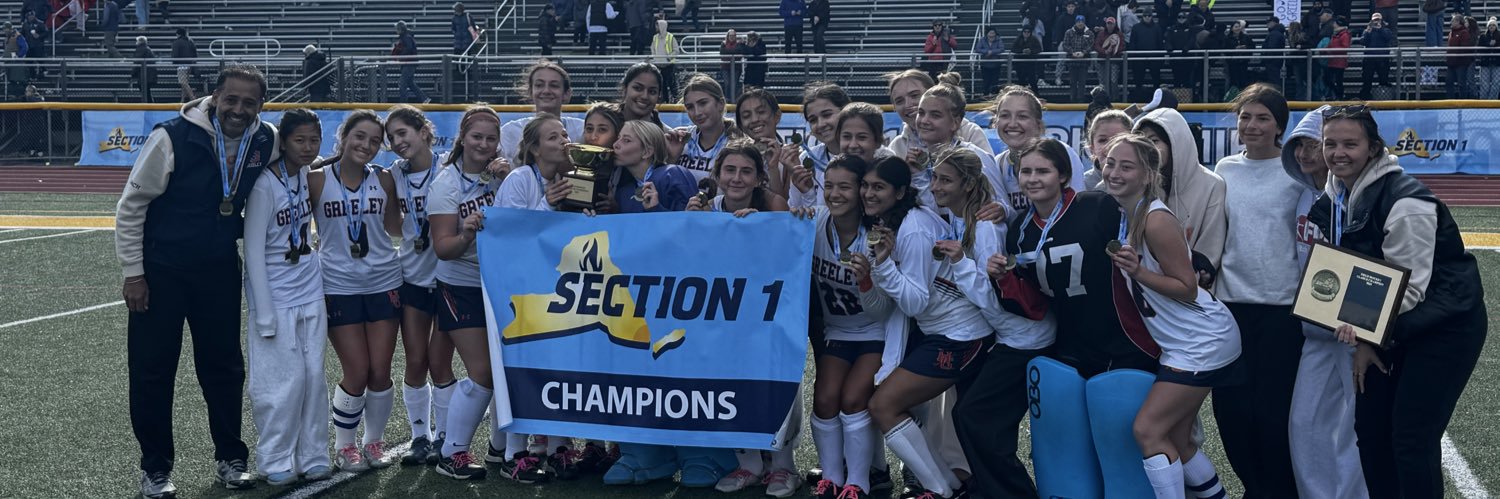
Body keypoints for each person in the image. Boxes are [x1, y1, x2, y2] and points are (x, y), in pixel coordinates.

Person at [1310, 104, 1487, 499]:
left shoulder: (1406, 203)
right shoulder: (1338, 193)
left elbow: (1410, 291)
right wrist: (1366, 335)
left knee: (1411, 438)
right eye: (1330, 143)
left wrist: (1366, 337)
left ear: (1373, 148)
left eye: (1350, 144)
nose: (1338, 152)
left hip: (1443, 326)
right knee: (1371, 433)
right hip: (1388, 323)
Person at [116, 65, 274, 498]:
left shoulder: (266, 139)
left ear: (261, 105)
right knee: (152, 371)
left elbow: (297, 165)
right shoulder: (172, 136)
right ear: (215, 97)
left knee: (224, 369)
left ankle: (230, 456)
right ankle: (155, 469)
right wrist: (134, 273)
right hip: (161, 273)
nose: (239, 109)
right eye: (232, 99)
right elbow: (131, 206)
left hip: (219, 270)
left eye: (250, 102)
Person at [1098, 133, 1241, 499]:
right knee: (1176, 437)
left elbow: (1188, 287)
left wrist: (1139, 272)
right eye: (1110, 162)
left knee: (1147, 430)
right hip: (1186, 339)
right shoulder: (1127, 212)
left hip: (1201, 339)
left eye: (1126, 166)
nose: (1113, 172)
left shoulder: (1156, 220)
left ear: (1147, 175)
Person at [863, 149, 998, 499]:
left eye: (878, 186)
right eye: (865, 185)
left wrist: (882, 267)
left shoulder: (914, 230)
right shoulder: (905, 221)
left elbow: (914, 301)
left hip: (961, 336)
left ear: (899, 192)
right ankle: (947, 486)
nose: (868, 193)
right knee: (887, 404)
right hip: (941, 332)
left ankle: (939, 489)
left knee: (883, 405)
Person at [426, 106, 528, 481]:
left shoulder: (504, 176)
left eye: (490, 138)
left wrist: (509, 180)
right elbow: (443, 247)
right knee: (483, 372)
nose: (484, 145)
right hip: (460, 284)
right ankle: (451, 452)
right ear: (463, 138)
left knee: (506, 370)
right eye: (477, 137)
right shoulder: (447, 184)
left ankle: (503, 450)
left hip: (501, 284)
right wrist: (466, 233)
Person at [1210, 83, 1301, 499]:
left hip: (1283, 310)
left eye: (1263, 117)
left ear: (1280, 125)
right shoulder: (1224, 169)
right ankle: (1255, 486)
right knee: (1230, 410)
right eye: (1245, 117)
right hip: (1231, 307)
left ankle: (1277, 489)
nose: (1252, 125)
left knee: (1273, 412)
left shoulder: (1297, 174)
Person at [307, 111, 404, 473]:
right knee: (358, 370)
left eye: (374, 141)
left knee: (380, 370)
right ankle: (344, 445)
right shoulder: (315, 179)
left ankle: (373, 441)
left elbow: (395, 227)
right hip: (338, 284)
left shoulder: (384, 179)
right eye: (358, 137)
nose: (365, 145)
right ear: (343, 137)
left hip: (384, 281)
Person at [1280, 105, 1370, 499]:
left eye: (1314, 144)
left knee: (1356, 428)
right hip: (1315, 329)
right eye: (1299, 145)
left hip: (1355, 332)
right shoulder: (1303, 198)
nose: (1305, 153)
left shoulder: (1361, 198)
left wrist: (1365, 327)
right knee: (1304, 422)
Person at [787, 156, 886, 499]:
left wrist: (866, 282)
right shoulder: (814, 222)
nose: (835, 194)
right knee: (825, 399)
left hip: (877, 330)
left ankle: (859, 481)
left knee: (853, 397)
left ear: (861, 190)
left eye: (845, 186)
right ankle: (831, 478)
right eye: (829, 186)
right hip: (836, 330)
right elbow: (776, 237)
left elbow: (886, 307)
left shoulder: (878, 235)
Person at [242, 108, 332, 487]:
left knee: (314, 377)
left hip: (309, 286)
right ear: (283, 141)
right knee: (282, 380)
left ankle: (313, 453)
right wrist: (262, 309)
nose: (308, 147)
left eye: (314, 140)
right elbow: (253, 248)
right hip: (276, 292)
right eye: (300, 140)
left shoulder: (305, 178)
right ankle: (275, 456)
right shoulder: (264, 184)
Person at [382, 105, 455, 467]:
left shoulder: (449, 166)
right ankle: (419, 437)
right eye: (392, 137)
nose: (397, 142)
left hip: (448, 279)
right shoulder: (394, 174)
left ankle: (444, 435)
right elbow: (394, 226)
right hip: (411, 277)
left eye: (403, 133)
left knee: (441, 364)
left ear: (424, 130)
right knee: (415, 360)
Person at [990, 85, 1089, 215]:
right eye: (1005, 115)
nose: (1012, 124)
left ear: (1038, 124)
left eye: (1022, 116)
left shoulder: (1061, 152)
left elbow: (1078, 208)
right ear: (995, 122)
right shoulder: (998, 164)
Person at [886, 70, 994, 161]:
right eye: (899, 101)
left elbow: (989, 182)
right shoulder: (897, 146)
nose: (908, 104)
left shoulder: (970, 133)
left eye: (914, 95)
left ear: (933, 93)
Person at [501, 60, 586, 161]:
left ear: (566, 94)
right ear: (530, 92)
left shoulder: (582, 130)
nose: (546, 91)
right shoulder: (511, 131)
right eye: (539, 85)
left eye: (554, 85)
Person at [786, 82, 853, 208]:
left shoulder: (873, 155)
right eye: (813, 120)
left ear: (846, 111)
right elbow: (795, 211)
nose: (821, 124)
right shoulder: (805, 160)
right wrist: (808, 193)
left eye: (827, 115)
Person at [611, 120, 698, 213]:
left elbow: (690, 221)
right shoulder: (623, 193)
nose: (615, 145)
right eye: (618, 138)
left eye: (626, 140)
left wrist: (656, 208)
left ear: (647, 152)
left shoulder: (673, 175)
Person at [667, 73, 742, 180]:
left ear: (720, 104)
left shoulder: (739, 142)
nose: (697, 112)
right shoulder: (679, 139)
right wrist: (671, 158)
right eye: (690, 107)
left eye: (703, 103)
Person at [735, 88, 794, 197]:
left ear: (777, 116)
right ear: (741, 126)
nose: (754, 120)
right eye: (746, 116)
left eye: (761, 112)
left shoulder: (791, 156)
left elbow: (784, 208)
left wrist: (773, 168)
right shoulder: (735, 156)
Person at [1079, 109, 1132, 189]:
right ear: (1092, 149)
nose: (1110, 145)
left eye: (1118, 138)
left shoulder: (1143, 180)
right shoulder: (1082, 184)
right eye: (1102, 140)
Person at [394, 21, 430, 103]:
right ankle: (424, 99)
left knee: (402, 83)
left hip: (409, 63)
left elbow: (409, 48)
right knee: (410, 83)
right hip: (408, 62)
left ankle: (403, 102)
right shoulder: (405, 37)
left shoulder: (406, 37)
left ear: (400, 29)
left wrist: (401, 54)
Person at [1061, 15, 1094, 103]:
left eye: (1082, 21)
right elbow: (1065, 45)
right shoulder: (1068, 32)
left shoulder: (1089, 33)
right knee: (1072, 83)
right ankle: (1073, 100)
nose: (1080, 23)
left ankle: (1080, 100)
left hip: (1084, 62)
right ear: (1075, 22)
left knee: (1082, 83)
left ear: (1084, 22)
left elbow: (1091, 45)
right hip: (1072, 62)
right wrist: (1072, 52)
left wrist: (1084, 52)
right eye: (1078, 21)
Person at [650, 16, 680, 102]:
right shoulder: (655, 37)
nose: (656, 28)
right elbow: (652, 48)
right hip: (659, 65)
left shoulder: (671, 37)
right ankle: (665, 101)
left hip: (669, 65)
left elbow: (676, 50)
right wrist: (655, 57)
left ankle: (676, 100)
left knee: (672, 84)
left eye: (657, 26)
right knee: (662, 85)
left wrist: (668, 58)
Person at [1447, 13, 1475, 99]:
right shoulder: (1451, 32)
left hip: (1460, 62)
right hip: (1451, 62)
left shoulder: (1464, 33)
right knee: (1448, 82)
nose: (1451, 22)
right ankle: (1450, 101)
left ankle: (1463, 102)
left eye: (1453, 20)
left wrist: (1455, 53)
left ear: (1458, 22)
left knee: (1461, 83)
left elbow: (1465, 47)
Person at [976, 27, 1006, 97]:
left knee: (995, 82)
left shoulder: (998, 40)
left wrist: (992, 52)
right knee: (986, 82)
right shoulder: (982, 40)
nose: (991, 35)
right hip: (985, 65)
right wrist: (986, 51)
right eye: (990, 33)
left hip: (996, 65)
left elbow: (1002, 49)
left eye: (993, 33)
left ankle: (995, 97)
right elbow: (977, 49)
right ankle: (985, 96)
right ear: (987, 33)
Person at [1013, 24, 1044, 90]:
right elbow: (1013, 49)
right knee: (1021, 81)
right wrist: (1022, 51)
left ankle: (1036, 95)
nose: (1026, 33)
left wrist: (1031, 51)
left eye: (1028, 32)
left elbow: (1039, 49)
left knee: (1032, 80)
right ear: (1022, 32)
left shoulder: (1034, 39)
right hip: (1020, 64)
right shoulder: (1018, 39)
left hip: (1030, 63)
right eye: (1025, 32)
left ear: (1030, 32)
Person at [171, 28, 196, 101]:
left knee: (183, 83)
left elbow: (175, 54)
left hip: (181, 65)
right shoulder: (190, 41)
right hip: (190, 65)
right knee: (184, 83)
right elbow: (195, 54)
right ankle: (182, 100)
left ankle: (193, 98)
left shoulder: (177, 42)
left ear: (178, 34)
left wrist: (174, 63)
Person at [1262, 16, 1287, 91]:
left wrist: (1266, 58)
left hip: (1272, 60)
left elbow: (1272, 47)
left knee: (1274, 80)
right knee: (1275, 79)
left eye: (1269, 22)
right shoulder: (1277, 32)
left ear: (1275, 22)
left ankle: (1276, 94)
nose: (1267, 24)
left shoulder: (1274, 34)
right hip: (1276, 59)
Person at [1478, 18, 1500, 100]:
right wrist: (1488, 45)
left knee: (1496, 83)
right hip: (1485, 63)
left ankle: (1492, 100)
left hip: (1497, 63)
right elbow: (1479, 48)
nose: (1491, 26)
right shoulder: (1483, 36)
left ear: (1496, 26)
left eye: (1493, 25)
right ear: (1487, 26)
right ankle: (1483, 101)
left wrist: (1495, 45)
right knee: (1484, 84)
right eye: (1490, 25)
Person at [719, 30, 743, 97]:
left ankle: (734, 99)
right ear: (728, 36)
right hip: (725, 67)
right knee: (727, 84)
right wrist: (733, 53)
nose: (732, 37)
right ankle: (727, 99)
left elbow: (739, 53)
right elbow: (722, 53)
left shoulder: (739, 44)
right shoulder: (723, 43)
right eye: (730, 35)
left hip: (736, 67)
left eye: (733, 35)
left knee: (734, 84)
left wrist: (728, 52)